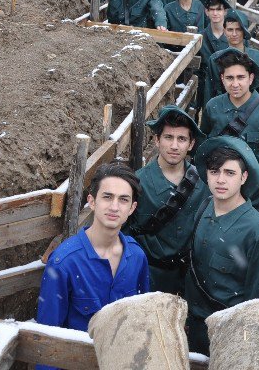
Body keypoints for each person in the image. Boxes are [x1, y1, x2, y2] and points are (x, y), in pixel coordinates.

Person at [36, 162, 150, 370]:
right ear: (92, 201)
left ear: (132, 208)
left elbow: (142, 322)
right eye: (107, 197)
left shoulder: (137, 257)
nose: (114, 207)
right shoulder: (64, 262)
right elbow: (48, 339)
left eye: (123, 200)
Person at [184, 136, 259, 355]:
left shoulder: (258, 232)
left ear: (244, 177)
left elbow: (258, 299)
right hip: (195, 329)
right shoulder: (205, 207)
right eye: (214, 172)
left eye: (230, 173)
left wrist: (244, 345)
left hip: (229, 334)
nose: (221, 180)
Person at [125, 105, 209, 295]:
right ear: (157, 140)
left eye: (182, 139)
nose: (174, 146)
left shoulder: (203, 184)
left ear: (191, 144)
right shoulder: (138, 182)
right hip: (149, 277)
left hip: (190, 279)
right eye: (168, 137)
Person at [201, 49, 259, 221]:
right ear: (222, 79)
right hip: (220, 190)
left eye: (240, 77)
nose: (235, 84)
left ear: (251, 78)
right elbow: (203, 146)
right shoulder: (213, 107)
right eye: (229, 78)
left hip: (256, 194)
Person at [207, 9, 259, 97]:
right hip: (223, 108)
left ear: (244, 31)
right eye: (230, 30)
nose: (234, 34)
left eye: (238, 29)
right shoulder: (214, 59)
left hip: (252, 107)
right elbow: (210, 92)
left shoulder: (258, 57)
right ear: (224, 31)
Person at [196, 0, 231, 109]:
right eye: (212, 9)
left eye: (219, 9)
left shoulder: (233, 37)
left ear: (225, 12)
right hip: (206, 86)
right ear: (206, 12)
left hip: (228, 86)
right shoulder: (200, 37)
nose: (215, 13)